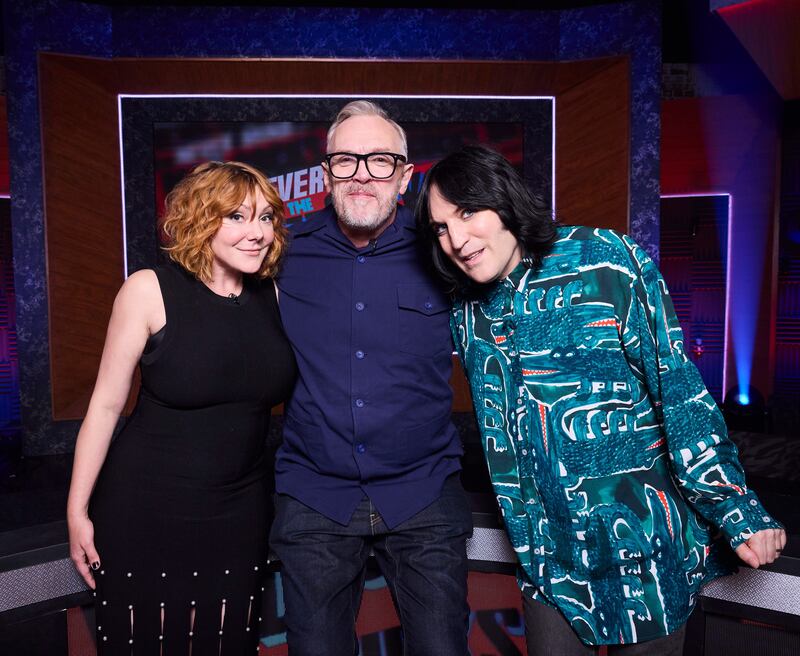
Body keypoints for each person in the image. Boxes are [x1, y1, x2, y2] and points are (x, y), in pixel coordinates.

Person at [414, 144, 786, 656]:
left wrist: (736, 508)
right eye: (440, 228)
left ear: (503, 200)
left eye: (467, 213)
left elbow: (678, 390)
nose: (456, 240)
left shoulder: (605, 259)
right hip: (551, 562)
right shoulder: (466, 308)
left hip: (647, 553)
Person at [67, 161, 297, 655]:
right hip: (147, 506)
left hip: (242, 510)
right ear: (200, 219)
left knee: (227, 643)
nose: (257, 233)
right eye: (236, 216)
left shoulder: (272, 294)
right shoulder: (148, 289)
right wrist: (76, 509)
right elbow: (105, 407)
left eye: (265, 217)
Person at [271, 100, 472, 655]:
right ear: (325, 173)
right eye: (346, 160)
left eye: (380, 160)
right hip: (316, 493)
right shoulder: (281, 254)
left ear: (404, 177)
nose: (362, 174)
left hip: (422, 489)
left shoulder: (446, 250)